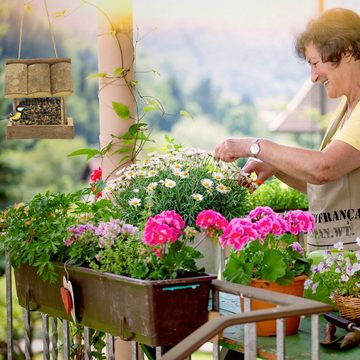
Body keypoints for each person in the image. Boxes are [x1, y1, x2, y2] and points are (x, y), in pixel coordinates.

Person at [214, 8, 360, 251]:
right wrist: (275, 166)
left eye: (315, 63)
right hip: (340, 267)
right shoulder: (347, 108)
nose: (313, 77)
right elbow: (327, 186)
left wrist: (255, 147)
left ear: (345, 51)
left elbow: (324, 167)